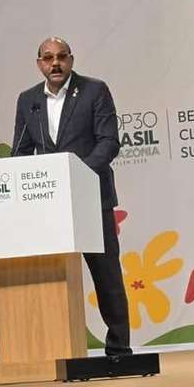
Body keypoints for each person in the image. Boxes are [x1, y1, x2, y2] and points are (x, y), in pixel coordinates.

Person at [12, 36, 131, 356]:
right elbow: (21, 150)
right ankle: (55, 349)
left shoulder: (94, 91)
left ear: (71, 60)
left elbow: (109, 142)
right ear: (39, 64)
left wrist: (75, 176)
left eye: (62, 57)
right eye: (48, 58)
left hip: (91, 199)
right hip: (49, 205)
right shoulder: (27, 100)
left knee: (107, 277)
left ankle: (119, 350)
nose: (56, 63)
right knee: (51, 278)